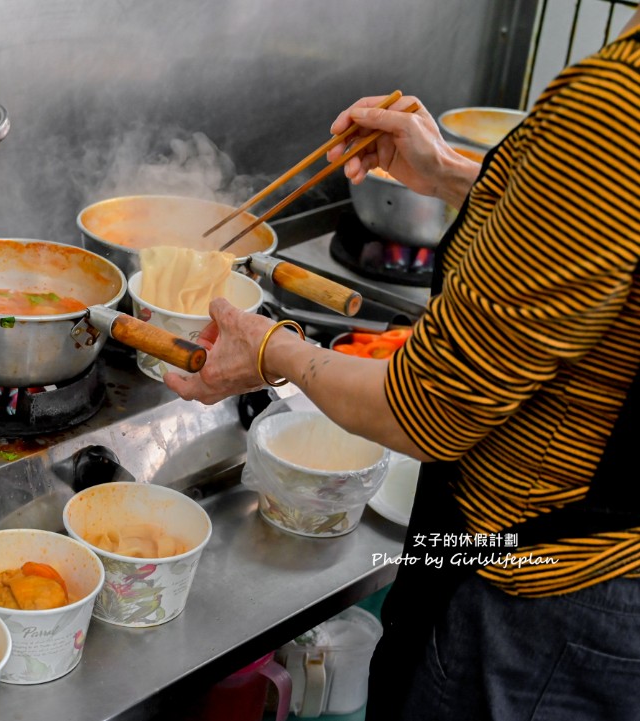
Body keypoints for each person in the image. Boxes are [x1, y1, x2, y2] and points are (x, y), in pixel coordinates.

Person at [165, 11, 640, 721]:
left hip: (552, 584)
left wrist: (270, 350)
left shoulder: (616, 107)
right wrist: (448, 172)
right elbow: (600, 238)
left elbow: (424, 410)